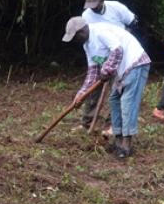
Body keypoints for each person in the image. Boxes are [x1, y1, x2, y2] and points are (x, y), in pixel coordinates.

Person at [62, 17, 150, 159]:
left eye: (75, 37)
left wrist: (107, 70)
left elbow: (117, 50)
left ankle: (127, 145)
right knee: (114, 100)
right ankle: (118, 139)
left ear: (82, 31)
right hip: (120, 70)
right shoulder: (87, 45)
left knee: (127, 103)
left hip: (135, 63)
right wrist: (81, 94)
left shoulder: (100, 32)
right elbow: (93, 71)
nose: (75, 40)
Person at [78, 0, 138, 133]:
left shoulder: (117, 8)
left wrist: (124, 36)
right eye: (90, 6)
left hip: (120, 52)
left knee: (117, 90)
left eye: (95, 5)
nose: (93, 9)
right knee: (94, 90)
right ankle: (87, 122)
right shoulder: (86, 16)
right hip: (100, 54)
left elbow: (134, 21)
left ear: (102, 1)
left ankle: (113, 125)